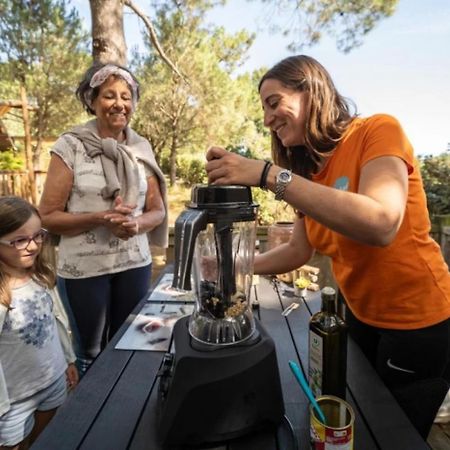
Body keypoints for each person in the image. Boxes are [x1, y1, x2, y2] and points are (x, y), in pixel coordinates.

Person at [205, 55, 450, 439]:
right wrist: (235, 267)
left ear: (312, 91)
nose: (268, 119)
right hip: (360, 317)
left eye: (274, 103)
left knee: (394, 434)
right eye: (264, 109)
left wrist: (268, 175)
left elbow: (382, 223)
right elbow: (297, 252)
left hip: (418, 323)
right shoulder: (307, 173)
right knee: (359, 419)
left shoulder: (377, 131)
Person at [39, 63, 168, 374]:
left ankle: (123, 413)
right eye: (109, 96)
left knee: (131, 343)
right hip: (84, 270)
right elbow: (47, 216)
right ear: (92, 100)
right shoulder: (70, 145)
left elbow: (158, 210)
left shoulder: (140, 146)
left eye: (127, 96)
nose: (119, 104)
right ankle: (90, 418)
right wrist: (101, 218)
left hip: (134, 264)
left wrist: (136, 224)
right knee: (91, 354)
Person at [0, 196, 78, 450]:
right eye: (19, 240)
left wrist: (69, 360)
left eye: (38, 236)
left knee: (46, 442)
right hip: (12, 403)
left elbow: (56, 323)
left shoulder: (41, 276)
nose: (32, 246)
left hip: (53, 383)